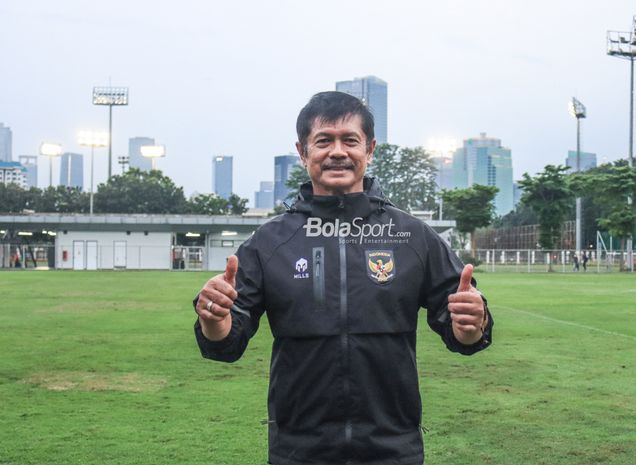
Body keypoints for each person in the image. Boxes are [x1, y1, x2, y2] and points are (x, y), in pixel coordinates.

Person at [193, 91, 493, 465]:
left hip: (393, 449)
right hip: (298, 450)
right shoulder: (269, 243)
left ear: (369, 150)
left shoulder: (411, 236)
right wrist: (214, 321)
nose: (337, 152)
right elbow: (226, 343)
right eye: (324, 141)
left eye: (350, 140)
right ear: (303, 153)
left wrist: (471, 324)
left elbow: (463, 331)